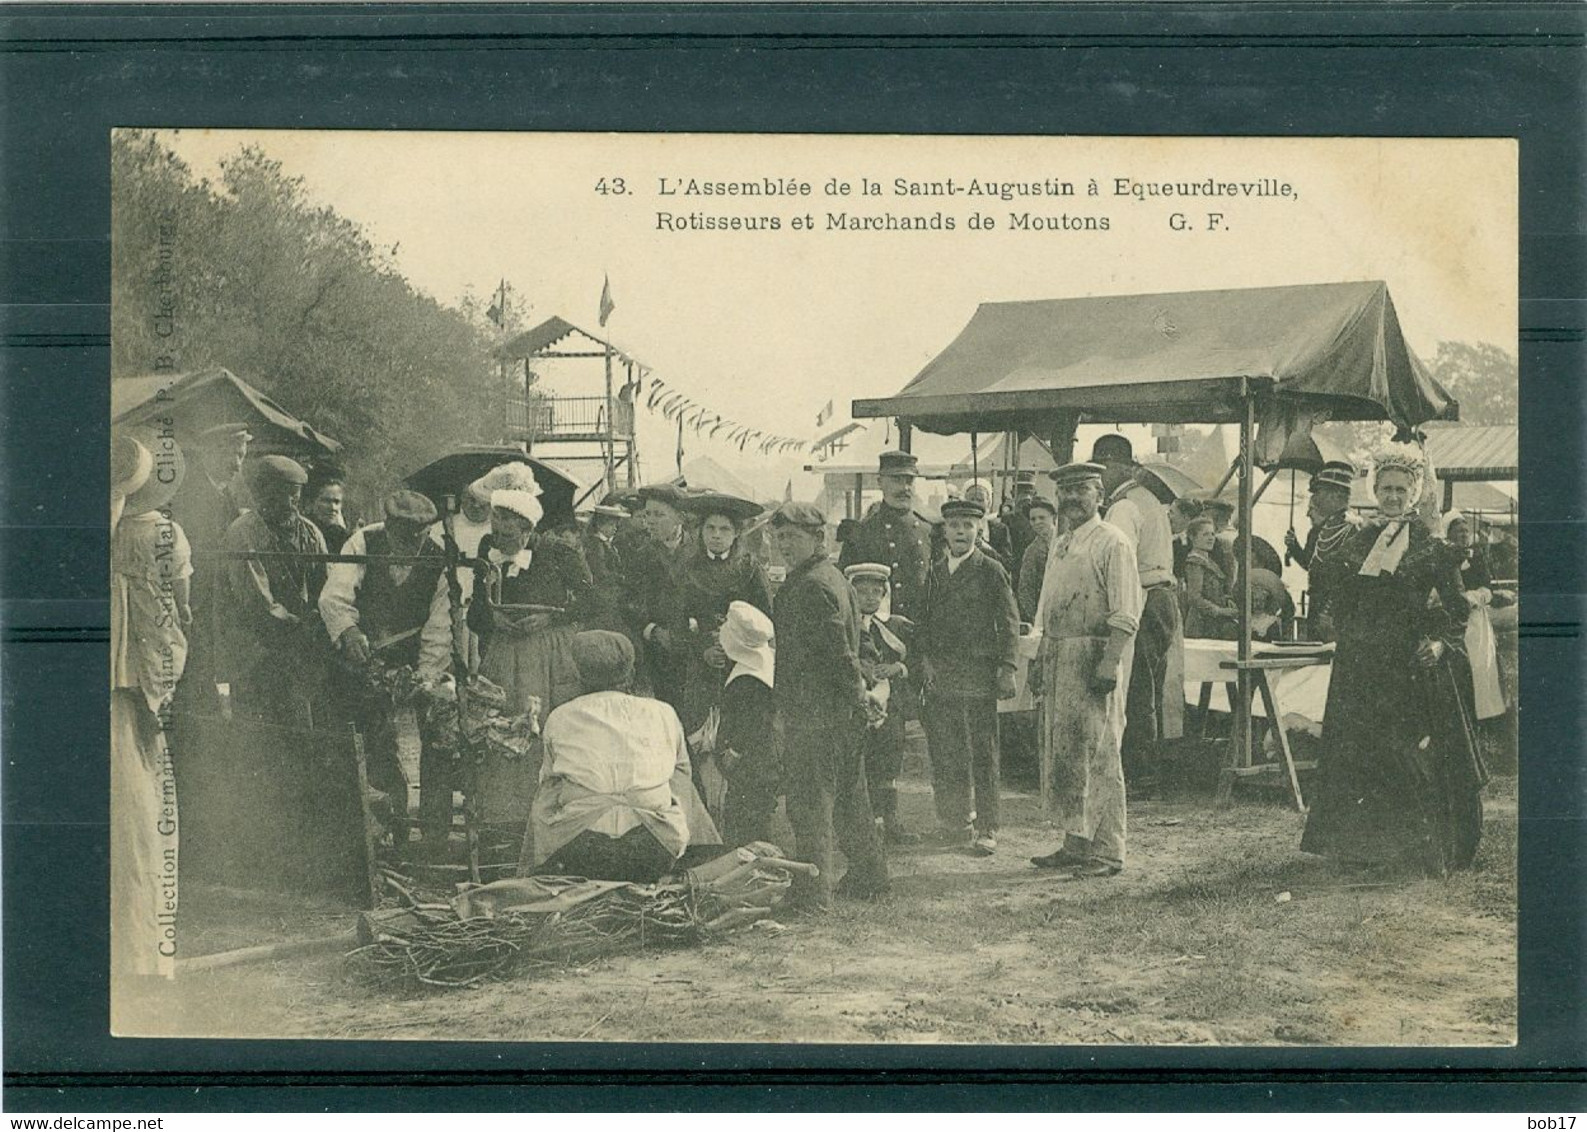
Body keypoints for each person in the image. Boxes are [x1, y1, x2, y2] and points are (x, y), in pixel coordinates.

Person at [1300, 442, 1487, 875]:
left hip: (1407, 668)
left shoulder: (1433, 546)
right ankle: (1361, 850)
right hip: (1360, 667)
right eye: (1386, 489)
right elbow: (1341, 599)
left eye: (1402, 490)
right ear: (1375, 490)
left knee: (1408, 756)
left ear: (1415, 492)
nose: (1394, 497)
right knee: (1359, 754)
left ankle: (1412, 852)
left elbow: (1458, 610)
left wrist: (1439, 644)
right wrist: (1337, 623)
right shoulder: (1358, 540)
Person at [771, 502, 890, 909]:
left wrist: (856, 690)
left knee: (810, 805)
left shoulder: (811, 586)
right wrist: (860, 693)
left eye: (794, 537)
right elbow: (857, 648)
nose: (784, 545)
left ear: (817, 538)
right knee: (851, 801)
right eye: (780, 536)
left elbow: (838, 652)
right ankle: (870, 876)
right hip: (840, 714)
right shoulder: (831, 577)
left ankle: (811, 893)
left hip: (817, 714)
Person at [528, 631, 720, 883]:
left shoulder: (561, 716)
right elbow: (682, 779)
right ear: (629, 672)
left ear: (579, 674)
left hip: (583, 847)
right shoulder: (662, 712)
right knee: (678, 789)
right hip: (653, 846)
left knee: (548, 799)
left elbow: (550, 786)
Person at [1029, 462, 1141, 879]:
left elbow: (1126, 613)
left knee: (1100, 752)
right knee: (1066, 753)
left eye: (1082, 490)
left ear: (1099, 495)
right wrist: (1042, 658)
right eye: (1066, 491)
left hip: (1096, 654)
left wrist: (1110, 662)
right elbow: (1048, 610)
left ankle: (1109, 851)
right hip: (1060, 654)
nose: (1072, 498)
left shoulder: (1113, 542)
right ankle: (1075, 842)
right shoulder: (1061, 543)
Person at [110, 431, 189, 1001]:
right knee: (139, 822)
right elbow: (169, 620)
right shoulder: (160, 535)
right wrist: (161, 695)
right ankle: (138, 954)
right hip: (134, 689)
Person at [319, 489, 454, 823]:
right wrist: (348, 631)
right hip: (363, 655)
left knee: (439, 731)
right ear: (389, 528)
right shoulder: (363, 542)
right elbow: (335, 595)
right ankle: (387, 819)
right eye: (403, 539)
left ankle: (434, 827)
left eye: (418, 538)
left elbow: (439, 626)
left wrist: (425, 676)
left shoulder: (439, 556)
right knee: (373, 734)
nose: (411, 548)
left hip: (414, 655)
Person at [917, 497, 1020, 855]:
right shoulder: (934, 572)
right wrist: (926, 659)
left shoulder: (991, 570)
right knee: (948, 750)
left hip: (978, 674)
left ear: (980, 530)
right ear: (944, 531)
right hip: (942, 676)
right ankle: (955, 822)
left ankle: (988, 827)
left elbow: (1008, 624)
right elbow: (925, 622)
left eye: (968, 526)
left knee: (983, 751)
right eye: (954, 526)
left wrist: (1007, 668)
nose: (960, 532)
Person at [1094, 435, 1184, 798]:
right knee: (1153, 687)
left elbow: (1120, 563)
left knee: (1136, 689)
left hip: (1144, 597)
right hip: (1163, 596)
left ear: (1125, 468)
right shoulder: (1150, 501)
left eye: (1106, 468)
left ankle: (1140, 774)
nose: (1102, 476)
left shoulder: (1124, 507)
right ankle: (1151, 770)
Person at [467, 488, 593, 724]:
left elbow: (592, 601)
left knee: (546, 719)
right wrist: (493, 618)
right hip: (503, 651)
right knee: (500, 721)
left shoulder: (558, 551)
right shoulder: (488, 548)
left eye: (507, 535)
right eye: (495, 532)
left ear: (529, 530)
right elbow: (475, 613)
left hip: (548, 655)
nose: (499, 541)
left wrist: (550, 618)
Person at [221, 455, 329, 728]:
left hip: (299, 651)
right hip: (255, 652)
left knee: (302, 731)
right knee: (261, 736)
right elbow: (256, 601)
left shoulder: (310, 532)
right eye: (287, 494)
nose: (294, 502)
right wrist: (301, 625)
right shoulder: (243, 533)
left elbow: (324, 587)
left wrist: (319, 619)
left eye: (297, 494)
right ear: (264, 493)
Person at [673, 492, 773, 734]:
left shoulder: (750, 568)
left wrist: (738, 646)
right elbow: (677, 622)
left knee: (740, 728)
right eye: (711, 528)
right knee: (699, 729)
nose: (716, 535)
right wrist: (702, 648)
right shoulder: (687, 568)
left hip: (744, 663)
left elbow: (767, 621)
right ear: (701, 531)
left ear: (737, 533)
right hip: (702, 661)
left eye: (724, 529)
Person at [169, 422, 250, 719]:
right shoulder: (191, 493)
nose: (237, 464)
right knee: (195, 665)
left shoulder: (225, 492)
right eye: (232, 455)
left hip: (216, 591)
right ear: (210, 453)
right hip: (194, 592)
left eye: (241, 455)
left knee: (209, 665)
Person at [846, 563, 919, 845]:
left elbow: (915, 658)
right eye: (862, 592)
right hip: (858, 705)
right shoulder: (846, 627)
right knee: (860, 764)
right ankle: (866, 825)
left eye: (876, 592)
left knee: (887, 763)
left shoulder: (894, 626)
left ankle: (890, 821)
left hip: (890, 710)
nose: (869, 598)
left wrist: (898, 668)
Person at [714, 601, 781, 847]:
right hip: (764, 759)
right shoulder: (763, 664)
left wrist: (735, 750)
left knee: (748, 816)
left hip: (752, 761)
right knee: (756, 812)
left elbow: (753, 720)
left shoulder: (748, 679)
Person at [838, 450, 932, 621]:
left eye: (909, 481)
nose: (905, 488)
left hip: (922, 631)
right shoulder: (862, 533)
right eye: (896, 480)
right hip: (879, 631)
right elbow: (846, 590)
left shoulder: (928, 531)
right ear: (880, 482)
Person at [625, 482, 694, 711]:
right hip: (658, 649)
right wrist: (652, 630)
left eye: (659, 515)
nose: (650, 521)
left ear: (680, 518)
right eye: (647, 514)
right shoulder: (640, 556)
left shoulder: (698, 552)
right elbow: (628, 602)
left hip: (695, 647)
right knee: (666, 707)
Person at [1283, 461, 1359, 641]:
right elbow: (1311, 563)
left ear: (1336, 495)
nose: (1315, 498)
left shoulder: (1353, 529)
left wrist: (1330, 611)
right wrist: (1294, 547)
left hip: (1338, 608)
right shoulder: (1318, 531)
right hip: (1317, 601)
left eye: (1319, 492)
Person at [1444, 511, 1507, 721]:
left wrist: (1474, 597)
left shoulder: (1476, 557)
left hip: (1475, 618)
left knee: (1481, 662)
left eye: (1465, 531)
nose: (1464, 535)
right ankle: (1462, 710)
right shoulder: (1443, 559)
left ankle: (1487, 711)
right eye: (1458, 531)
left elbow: (1486, 586)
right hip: (1452, 619)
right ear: (1448, 534)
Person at [1181, 516, 1238, 638]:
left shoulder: (1209, 561)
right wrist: (1220, 611)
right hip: (1200, 624)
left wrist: (1227, 600)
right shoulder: (1195, 562)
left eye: (1212, 534)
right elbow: (1194, 598)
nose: (1211, 538)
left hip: (1213, 623)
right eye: (1205, 534)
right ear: (1192, 537)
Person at [581, 502, 632, 635]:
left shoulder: (604, 543)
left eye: (616, 525)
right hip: (604, 594)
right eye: (611, 524)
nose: (614, 528)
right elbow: (600, 571)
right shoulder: (596, 544)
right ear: (599, 525)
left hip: (609, 593)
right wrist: (622, 578)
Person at [1016, 497, 1059, 622]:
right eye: (1033, 519)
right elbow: (1025, 589)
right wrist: (1036, 618)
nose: (1037, 522)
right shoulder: (1032, 552)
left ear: (1053, 517)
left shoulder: (1070, 540)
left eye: (1042, 518)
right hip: (1046, 613)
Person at [962, 481, 1013, 570]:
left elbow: (1007, 564)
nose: (975, 504)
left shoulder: (1000, 530)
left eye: (980, 500)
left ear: (989, 502)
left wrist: (984, 547)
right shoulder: (956, 528)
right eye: (972, 499)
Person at [304, 461, 351, 554]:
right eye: (326, 501)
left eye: (336, 502)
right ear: (312, 502)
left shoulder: (343, 536)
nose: (333, 507)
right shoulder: (304, 532)